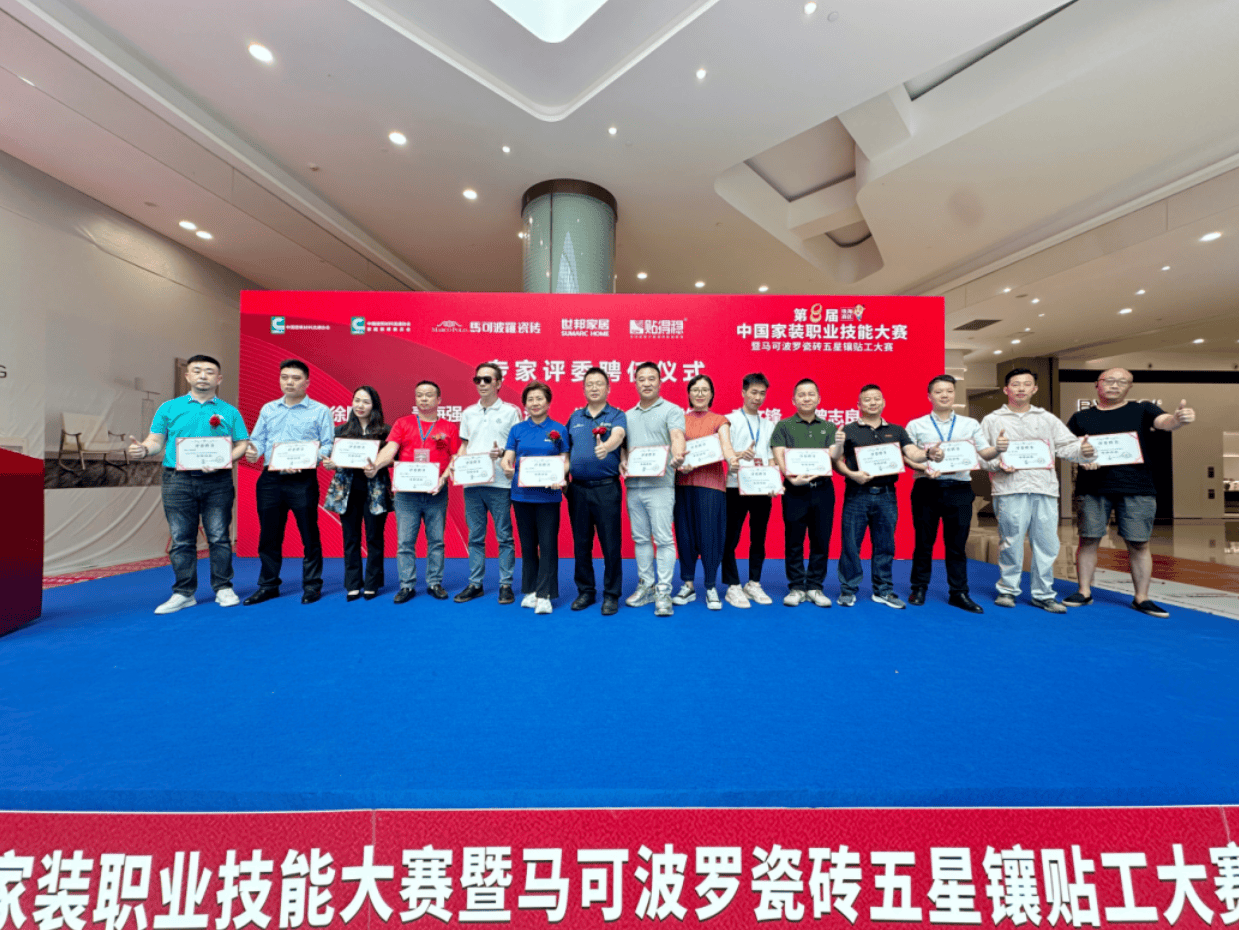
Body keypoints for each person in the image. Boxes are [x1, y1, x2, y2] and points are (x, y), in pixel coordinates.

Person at [1065, 369, 1195, 618]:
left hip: (1137, 487)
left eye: (1122, 381)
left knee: (1139, 543)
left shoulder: (1143, 409)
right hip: (1092, 488)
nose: (1115, 385)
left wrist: (1178, 420)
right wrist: (1080, 457)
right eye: (1109, 380)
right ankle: (1083, 591)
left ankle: (1142, 598)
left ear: (1130, 387)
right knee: (1088, 540)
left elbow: (1165, 422)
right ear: (1097, 384)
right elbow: (1066, 446)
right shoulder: (1081, 417)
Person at [126, 354, 249, 614]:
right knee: (182, 539)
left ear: (219, 379)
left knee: (219, 537)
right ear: (188, 376)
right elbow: (155, 441)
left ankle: (223, 587)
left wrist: (225, 459)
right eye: (197, 370)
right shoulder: (168, 408)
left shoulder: (230, 411)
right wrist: (143, 450)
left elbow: (242, 444)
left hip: (218, 481)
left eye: (209, 371)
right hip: (177, 480)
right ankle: (183, 592)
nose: (203, 375)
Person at [979, 368, 1095, 612]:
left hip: (1044, 488)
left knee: (1046, 543)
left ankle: (1043, 594)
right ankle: (1007, 590)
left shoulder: (1047, 419)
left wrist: (1082, 451)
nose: (1021, 388)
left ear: (1035, 389)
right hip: (1009, 488)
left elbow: (1067, 446)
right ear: (1006, 389)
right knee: (1010, 541)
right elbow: (981, 457)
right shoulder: (992, 420)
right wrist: (999, 462)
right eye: (1016, 384)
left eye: (1026, 384)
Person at [834, 383, 943, 609]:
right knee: (851, 545)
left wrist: (927, 454)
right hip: (857, 494)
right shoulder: (849, 430)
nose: (872, 402)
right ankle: (848, 589)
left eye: (877, 398)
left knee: (885, 544)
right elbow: (836, 461)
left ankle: (883, 589)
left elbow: (911, 453)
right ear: (859, 404)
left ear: (883, 402)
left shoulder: (897, 430)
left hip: (886, 495)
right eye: (867, 399)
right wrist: (852, 475)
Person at [903, 374, 1005, 613]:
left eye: (949, 391)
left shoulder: (970, 424)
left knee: (957, 545)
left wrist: (998, 449)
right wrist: (925, 467)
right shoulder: (916, 425)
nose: (944, 395)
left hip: (960, 488)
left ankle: (958, 592)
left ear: (954, 394)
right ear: (929, 396)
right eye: (939, 391)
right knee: (923, 543)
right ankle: (919, 588)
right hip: (927, 487)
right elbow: (907, 456)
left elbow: (984, 453)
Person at [243, 359, 335, 605]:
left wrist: (308, 460)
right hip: (270, 479)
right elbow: (258, 439)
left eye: (295, 378)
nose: (289, 382)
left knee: (309, 533)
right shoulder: (268, 409)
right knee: (269, 535)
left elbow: (328, 444)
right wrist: (253, 451)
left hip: (302, 479)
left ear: (306, 382)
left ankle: (312, 585)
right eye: (284, 377)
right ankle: (268, 585)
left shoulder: (320, 410)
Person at [368, 380, 460, 603]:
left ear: (439, 400)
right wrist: (376, 465)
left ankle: (434, 582)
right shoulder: (403, 423)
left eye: (428, 395)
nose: (423, 399)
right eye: (419, 395)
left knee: (436, 541)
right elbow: (391, 449)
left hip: (436, 492)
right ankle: (407, 585)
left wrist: (444, 478)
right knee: (405, 542)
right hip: (406, 494)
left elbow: (456, 457)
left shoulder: (449, 427)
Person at [770, 379, 843, 608]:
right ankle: (796, 587)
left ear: (819, 399)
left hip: (823, 490)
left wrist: (840, 443)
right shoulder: (784, 425)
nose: (806, 398)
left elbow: (834, 456)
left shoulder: (829, 427)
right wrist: (790, 477)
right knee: (794, 540)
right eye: (801, 394)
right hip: (795, 490)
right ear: (794, 400)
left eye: (811, 394)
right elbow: (779, 455)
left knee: (820, 540)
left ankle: (815, 587)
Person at [623, 362, 687, 617]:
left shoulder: (672, 410)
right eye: (642, 379)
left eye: (652, 378)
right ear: (635, 383)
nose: (647, 383)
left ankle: (663, 591)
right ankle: (647, 586)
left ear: (660, 382)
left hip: (660, 486)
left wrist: (678, 454)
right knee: (640, 538)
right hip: (634, 486)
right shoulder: (627, 415)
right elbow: (623, 448)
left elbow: (677, 436)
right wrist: (621, 461)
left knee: (663, 539)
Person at [455, 362, 521, 606]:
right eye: (478, 380)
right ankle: (475, 584)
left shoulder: (511, 411)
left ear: (498, 383)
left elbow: (518, 445)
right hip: (472, 482)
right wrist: (457, 462)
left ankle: (505, 584)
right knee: (475, 536)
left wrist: (502, 452)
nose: (481, 384)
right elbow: (464, 445)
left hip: (500, 483)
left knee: (504, 536)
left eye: (487, 379)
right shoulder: (468, 413)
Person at [501, 381, 568, 614]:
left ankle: (545, 594)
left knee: (547, 545)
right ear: (525, 404)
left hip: (548, 497)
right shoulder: (517, 430)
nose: (535, 403)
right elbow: (508, 457)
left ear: (548, 403)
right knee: (528, 545)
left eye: (539, 398)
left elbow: (565, 459)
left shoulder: (559, 429)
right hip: (522, 496)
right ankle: (530, 591)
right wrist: (506, 466)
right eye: (530, 399)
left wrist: (560, 475)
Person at [565, 367, 628, 615]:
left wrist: (607, 447)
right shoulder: (575, 417)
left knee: (610, 544)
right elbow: (566, 452)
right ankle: (586, 591)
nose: (594, 388)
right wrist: (559, 476)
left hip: (606, 489)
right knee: (581, 543)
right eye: (589, 384)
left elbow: (619, 436)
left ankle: (611, 594)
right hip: (577, 490)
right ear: (583, 389)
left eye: (599, 383)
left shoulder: (616, 415)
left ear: (608, 388)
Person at [671, 375, 735, 610]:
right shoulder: (678, 420)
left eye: (704, 390)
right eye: (695, 390)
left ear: (711, 394)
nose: (699, 394)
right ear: (689, 394)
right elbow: (674, 449)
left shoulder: (720, 420)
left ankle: (710, 586)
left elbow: (726, 446)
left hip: (711, 487)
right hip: (683, 484)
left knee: (711, 536)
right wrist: (678, 463)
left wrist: (732, 460)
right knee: (684, 536)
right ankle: (687, 585)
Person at [323, 386, 391, 601]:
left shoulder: (385, 431)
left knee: (374, 538)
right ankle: (352, 584)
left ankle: (372, 583)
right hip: (347, 491)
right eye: (357, 400)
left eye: (366, 402)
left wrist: (378, 465)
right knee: (350, 538)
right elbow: (330, 457)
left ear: (374, 406)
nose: (360, 406)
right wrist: (331, 464)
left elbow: (393, 459)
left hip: (375, 490)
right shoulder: (340, 431)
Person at [722, 372, 777, 608]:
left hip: (762, 489)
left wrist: (773, 481)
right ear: (743, 392)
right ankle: (733, 585)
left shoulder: (769, 424)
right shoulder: (729, 420)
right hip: (735, 487)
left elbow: (772, 457)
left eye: (762, 393)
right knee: (730, 538)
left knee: (758, 538)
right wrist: (738, 455)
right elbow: (724, 452)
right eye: (753, 392)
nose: (757, 397)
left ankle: (754, 582)